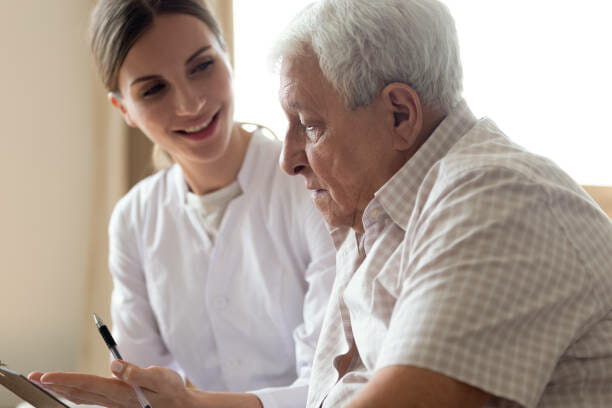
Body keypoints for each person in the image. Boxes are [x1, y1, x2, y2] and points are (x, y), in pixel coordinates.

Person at [271, 0, 612, 407]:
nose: (288, 160)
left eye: (309, 126)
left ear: (400, 114)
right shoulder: (381, 210)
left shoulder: (497, 199)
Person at [29, 1, 335, 407]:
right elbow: (143, 388)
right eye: (154, 89)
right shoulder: (134, 220)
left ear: (228, 56)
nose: (190, 104)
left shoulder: (314, 185)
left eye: (202, 66)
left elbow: (333, 386)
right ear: (124, 110)